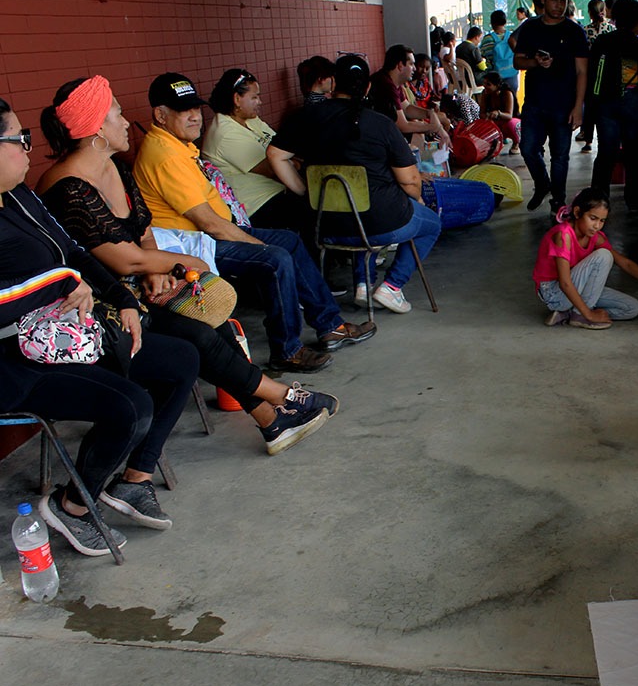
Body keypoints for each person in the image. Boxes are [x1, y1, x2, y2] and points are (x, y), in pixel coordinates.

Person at [38, 77, 336, 456]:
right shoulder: (68, 187)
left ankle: (271, 419)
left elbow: (143, 232)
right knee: (198, 335)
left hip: (141, 286)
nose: (126, 120)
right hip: (102, 306)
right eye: (117, 112)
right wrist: (181, 262)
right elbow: (123, 258)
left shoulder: (116, 167)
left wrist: (156, 268)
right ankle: (280, 398)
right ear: (96, 126)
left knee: (212, 324)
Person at [0, 96, 198, 554]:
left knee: (180, 359)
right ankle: (72, 506)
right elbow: (45, 281)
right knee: (130, 406)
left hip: (68, 333)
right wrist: (63, 281)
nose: (28, 149)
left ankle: (132, 478)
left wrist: (121, 297)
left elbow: (74, 252)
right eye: (18, 139)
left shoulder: (20, 196)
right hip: (16, 361)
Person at [133, 72, 374, 372]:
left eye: (196, 108)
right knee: (275, 258)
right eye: (185, 111)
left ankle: (330, 325)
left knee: (291, 241)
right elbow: (210, 224)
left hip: (212, 234)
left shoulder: (177, 144)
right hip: (195, 246)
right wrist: (257, 245)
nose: (195, 117)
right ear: (160, 114)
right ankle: (287, 350)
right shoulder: (165, 154)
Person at [267, 54, 442, 315]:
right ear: (368, 87)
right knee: (431, 224)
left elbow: (275, 155)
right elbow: (410, 180)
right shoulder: (381, 124)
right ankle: (391, 287)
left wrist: (306, 192)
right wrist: (414, 198)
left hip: (325, 225)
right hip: (380, 223)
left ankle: (363, 283)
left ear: (334, 82)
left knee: (361, 206)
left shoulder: (306, 117)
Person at [200, 69, 316, 246]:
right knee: (313, 209)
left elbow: (282, 149)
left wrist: (292, 161)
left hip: (278, 191)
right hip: (258, 206)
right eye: (254, 97)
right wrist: (297, 164)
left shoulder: (250, 120)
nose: (259, 102)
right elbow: (273, 168)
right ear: (237, 99)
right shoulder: (224, 133)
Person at [533, 187, 638, 329]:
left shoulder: (595, 237)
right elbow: (564, 283)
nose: (597, 225)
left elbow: (625, 264)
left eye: (602, 221)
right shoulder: (564, 235)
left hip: (575, 287)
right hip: (555, 294)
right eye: (593, 218)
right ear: (577, 212)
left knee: (631, 308)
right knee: (604, 256)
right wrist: (589, 314)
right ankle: (580, 315)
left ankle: (569, 313)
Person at [514, 0, 589, 212]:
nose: (559, 5)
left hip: (563, 105)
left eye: (563, 1)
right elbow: (518, 61)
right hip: (535, 103)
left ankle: (558, 199)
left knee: (560, 156)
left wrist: (578, 107)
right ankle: (542, 183)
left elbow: (582, 71)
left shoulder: (574, 31)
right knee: (527, 148)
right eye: (554, 0)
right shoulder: (531, 27)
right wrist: (535, 62)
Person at [587, 0, 638, 211]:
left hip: (605, 103)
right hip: (633, 103)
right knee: (634, 152)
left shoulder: (602, 41)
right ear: (637, 22)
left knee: (606, 153)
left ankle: (598, 201)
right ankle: (635, 200)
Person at [369, 44, 449, 144]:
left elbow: (407, 108)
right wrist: (432, 127)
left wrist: (429, 113)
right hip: (372, 136)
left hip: (381, 131)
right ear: (400, 66)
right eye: (411, 64)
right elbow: (403, 126)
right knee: (417, 136)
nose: (414, 69)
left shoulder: (393, 82)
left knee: (418, 129)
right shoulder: (385, 85)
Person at [577, 0, 616, 154]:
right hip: (608, 74)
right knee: (605, 107)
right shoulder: (612, 30)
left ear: (590, 13)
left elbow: (584, 54)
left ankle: (588, 140)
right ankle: (604, 138)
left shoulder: (585, 31)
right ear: (604, 11)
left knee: (591, 107)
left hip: (591, 73)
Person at [480, 71, 521, 154]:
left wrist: (498, 113)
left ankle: (516, 143)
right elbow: (482, 113)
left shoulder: (507, 93)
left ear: (497, 85)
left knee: (510, 124)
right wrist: (487, 117)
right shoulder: (485, 93)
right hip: (495, 122)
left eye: (488, 84)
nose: (485, 87)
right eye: (484, 84)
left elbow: (509, 115)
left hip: (509, 121)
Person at [480, 10, 519, 95]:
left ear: (492, 23)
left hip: (494, 78)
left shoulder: (487, 39)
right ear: (505, 22)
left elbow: (483, 55)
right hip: (512, 75)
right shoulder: (513, 36)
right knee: (512, 101)